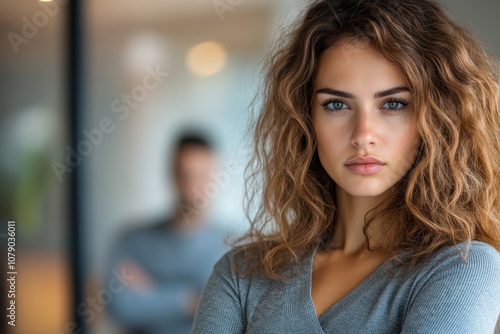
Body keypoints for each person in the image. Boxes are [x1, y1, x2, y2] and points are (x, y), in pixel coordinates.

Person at [190, 0, 500, 333]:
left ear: (437, 119)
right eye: (336, 104)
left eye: (393, 104)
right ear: (306, 119)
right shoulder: (241, 274)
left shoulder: (464, 266)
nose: (363, 135)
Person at [106, 132, 230, 334]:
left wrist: (152, 291)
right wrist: (194, 300)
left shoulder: (236, 244)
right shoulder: (133, 240)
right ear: (172, 174)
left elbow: (238, 313)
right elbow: (120, 306)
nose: (193, 188)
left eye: (201, 175)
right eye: (185, 174)